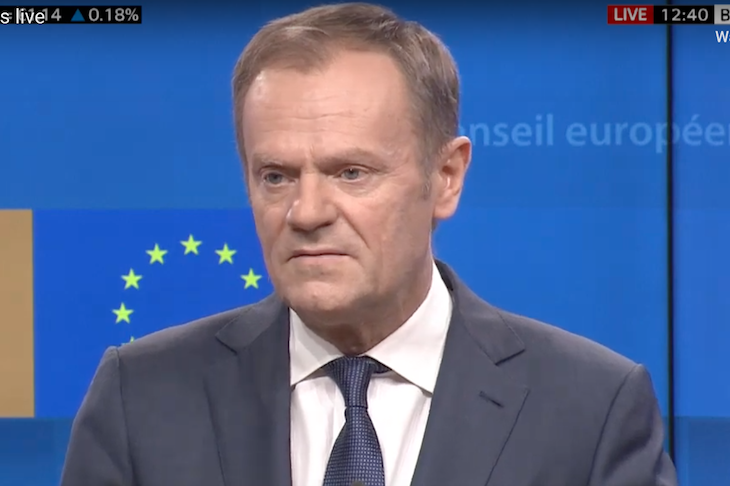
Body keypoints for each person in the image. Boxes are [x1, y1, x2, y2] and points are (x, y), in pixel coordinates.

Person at [60, 3, 678, 486]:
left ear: (446, 177)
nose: (306, 212)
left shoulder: (590, 409)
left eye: (351, 173)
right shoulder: (140, 397)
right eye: (275, 176)